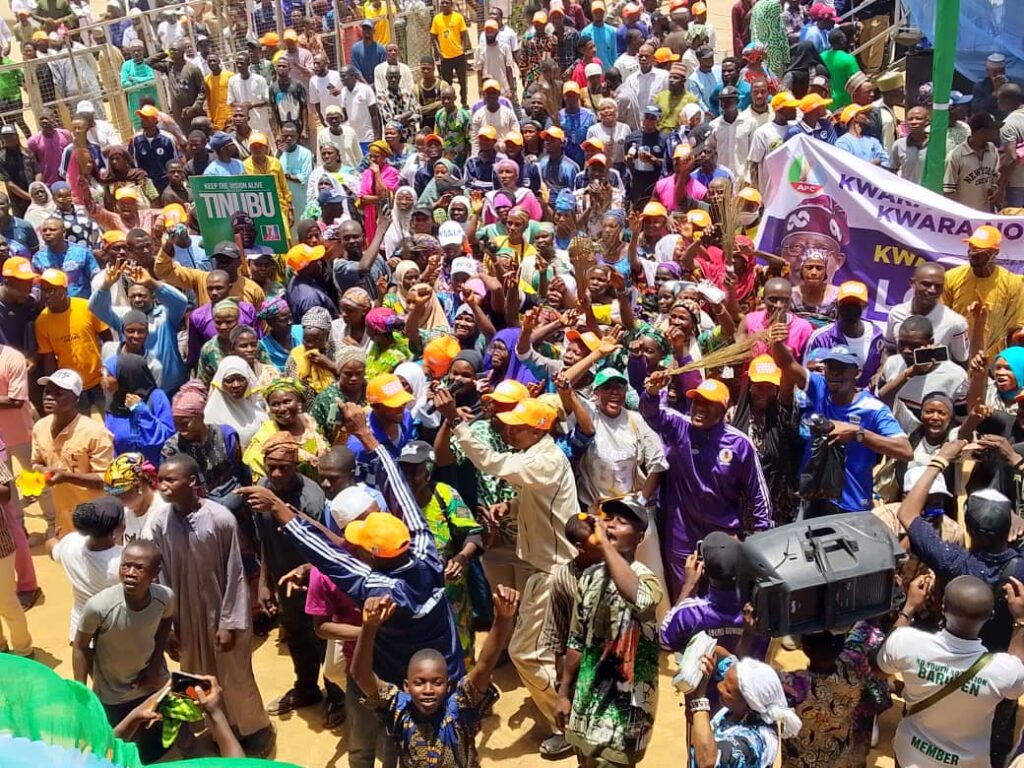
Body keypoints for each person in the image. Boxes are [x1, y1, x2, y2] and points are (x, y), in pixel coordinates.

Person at [438, 390, 579, 757]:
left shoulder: (544, 460)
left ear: (538, 430)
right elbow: (542, 499)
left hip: (553, 572)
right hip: (548, 568)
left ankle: (566, 726)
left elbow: (490, 462)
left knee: (525, 653)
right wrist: (512, 506)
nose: (509, 430)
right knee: (552, 648)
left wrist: (455, 421)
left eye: (517, 427)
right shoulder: (539, 456)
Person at [148, 454, 274, 757]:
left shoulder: (220, 519)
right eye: (160, 480)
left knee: (235, 676)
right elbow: (161, 579)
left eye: (170, 480)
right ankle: (217, 731)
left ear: (192, 481)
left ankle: (254, 730)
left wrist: (229, 623)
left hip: (223, 615)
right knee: (194, 674)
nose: (163, 486)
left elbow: (235, 574)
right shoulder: (160, 523)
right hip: (185, 617)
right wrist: (169, 626)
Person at [351, 585, 520, 768]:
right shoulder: (398, 709)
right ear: (406, 686)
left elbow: (484, 666)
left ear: (448, 686)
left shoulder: (460, 709)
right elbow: (360, 675)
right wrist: (369, 626)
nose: (428, 690)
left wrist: (503, 618)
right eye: (419, 683)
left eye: (437, 682)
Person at [640, 374, 772, 601]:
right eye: (697, 401)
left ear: (723, 410)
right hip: (682, 534)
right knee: (685, 595)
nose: (699, 408)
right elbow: (651, 414)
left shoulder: (739, 444)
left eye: (708, 403)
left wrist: (760, 535)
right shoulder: (679, 426)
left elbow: (758, 492)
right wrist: (652, 392)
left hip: (723, 535)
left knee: (722, 600)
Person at [556, 495, 662, 767]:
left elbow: (639, 598)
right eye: (609, 519)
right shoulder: (589, 577)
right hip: (586, 705)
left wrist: (604, 544)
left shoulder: (647, 580)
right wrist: (564, 692)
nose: (612, 525)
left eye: (622, 522)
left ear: (639, 538)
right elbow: (576, 640)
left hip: (623, 715)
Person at [879, 571, 1024, 768]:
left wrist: (910, 606)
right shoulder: (1001, 671)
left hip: (910, 757)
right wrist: (1021, 620)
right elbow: (1016, 672)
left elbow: (879, 668)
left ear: (943, 607)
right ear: (990, 616)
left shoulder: (907, 642)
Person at [771, 339, 912, 515]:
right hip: (814, 497)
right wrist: (776, 340)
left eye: (842, 368)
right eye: (831, 367)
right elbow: (788, 364)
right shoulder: (819, 388)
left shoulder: (873, 409)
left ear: (857, 373)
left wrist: (858, 434)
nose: (835, 373)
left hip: (852, 503)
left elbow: (906, 451)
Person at [72, 539, 173, 763]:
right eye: (125, 565)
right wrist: (81, 691)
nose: (130, 573)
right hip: (113, 692)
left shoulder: (164, 597)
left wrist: (155, 664)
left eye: (139, 568)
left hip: (150, 685)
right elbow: (80, 646)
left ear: (155, 573)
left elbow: (165, 623)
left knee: (154, 745)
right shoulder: (99, 607)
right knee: (116, 748)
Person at [32, 369, 114, 537]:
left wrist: (66, 477)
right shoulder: (40, 427)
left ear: (76, 398)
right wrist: (42, 471)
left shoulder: (95, 433)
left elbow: (105, 480)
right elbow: (36, 462)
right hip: (62, 516)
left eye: (58, 393)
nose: (49, 397)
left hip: (93, 518)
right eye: (47, 391)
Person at [48, 497, 123, 643]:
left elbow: (52, 549)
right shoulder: (123, 560)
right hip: (113, 632)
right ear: (117, 529)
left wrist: (52, 538)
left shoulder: (70, 543)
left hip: (80, 630)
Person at [942, 226, 1022, 356]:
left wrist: (1009, 361)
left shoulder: (1012, 283)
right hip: (956, 356)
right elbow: (941, 320)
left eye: (980, 250)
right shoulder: (951, 278)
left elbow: (1015, 329)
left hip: (991, 358)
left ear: (995, 252)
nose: (973, 254)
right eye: (971, 247)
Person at [887, 262, 969, 363]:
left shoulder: (956, 323)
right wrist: (884, 370)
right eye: (926, 284)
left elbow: (961, 362)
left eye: (938, 286)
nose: (932, 290)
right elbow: (889, 349)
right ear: (912, 283)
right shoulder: (896, 314)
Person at [103, 353, 175, 467]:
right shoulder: (113, 404)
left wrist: (140, 411)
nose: (104, 379)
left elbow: (167, 435)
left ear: (125, 376)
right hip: (123, 471)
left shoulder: (156, 397)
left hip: (154, 470)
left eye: (109, 375)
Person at [431, 0, 471, 107]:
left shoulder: (458, 17)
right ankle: (449, 104)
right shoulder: (437, 19)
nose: (444, 5)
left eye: (447, 3)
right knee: (447, 83)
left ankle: (464, 102)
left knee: (463, 81)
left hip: (459, 56)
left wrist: (463, 48)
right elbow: (433, 36)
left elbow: (464, 34)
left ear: (451, 5)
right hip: (445, 58)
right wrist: (439, 52)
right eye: (442, 3)